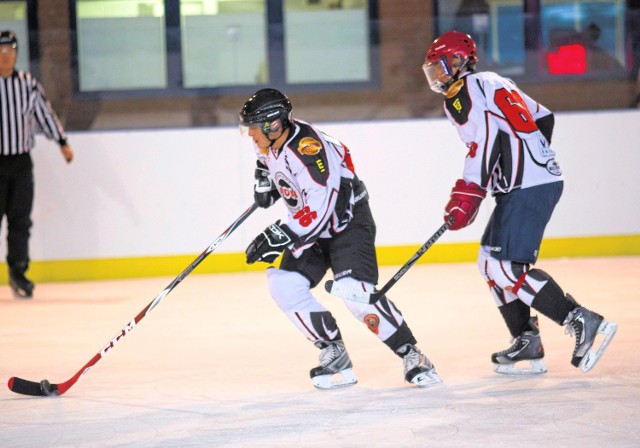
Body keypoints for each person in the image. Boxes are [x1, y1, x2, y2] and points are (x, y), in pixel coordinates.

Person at [422, 30, 617, 375]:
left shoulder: (464, 90)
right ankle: (528, 341)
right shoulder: (496, 81)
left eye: (440, 67)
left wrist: (469, 191)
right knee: (489, 263)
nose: (436, 75)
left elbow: (485, 141)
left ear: (458, 61)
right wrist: (532, 157)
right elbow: (543, 117)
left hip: (528, 185)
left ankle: (580, 319)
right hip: (531, 181)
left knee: (506, 269)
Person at [239, 88, 441, 389]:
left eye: (254, 126)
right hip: (311, 227)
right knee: (283, 283)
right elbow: (263, 160)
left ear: (274, 125)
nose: (250, 133)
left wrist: (281, 234)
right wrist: (264, 182)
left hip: (347, 225)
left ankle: (412, 353)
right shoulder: (269, 142)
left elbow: (321, 207)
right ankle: (333, 350)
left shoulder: (308, 150)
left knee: (355, 295)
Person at [0, 30, 74, 299]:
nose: (4, 55)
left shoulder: (27, 84)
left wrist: (62, 142)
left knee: (20, 221)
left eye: (9, 50)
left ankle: (18, 272)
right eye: (0, 50)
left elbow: (45, 114)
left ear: (16, 53)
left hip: (20, 164)